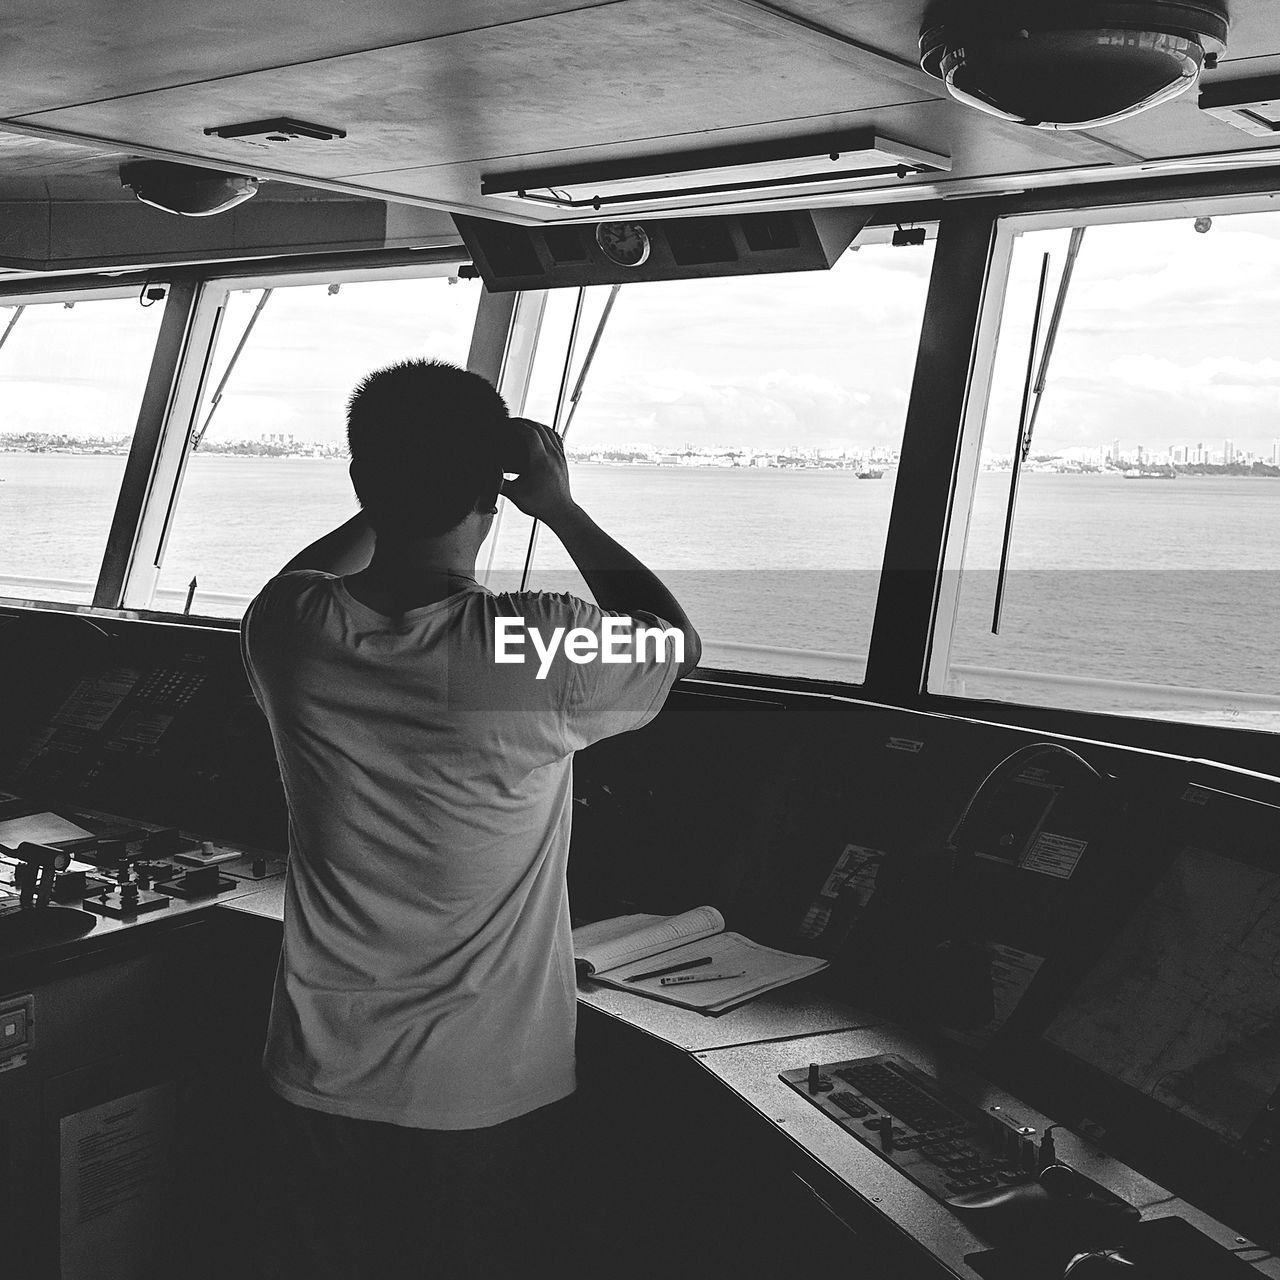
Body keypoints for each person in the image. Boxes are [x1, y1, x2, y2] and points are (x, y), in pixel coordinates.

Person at [240, 358, 700, 1278]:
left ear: (364, 483)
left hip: (316, 1078)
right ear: (493, 491)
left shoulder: (290, 628)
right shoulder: (534, 647)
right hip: (481, 1096)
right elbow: (675, 641)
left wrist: (391, 487)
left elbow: (305, 574)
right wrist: (560, 508)